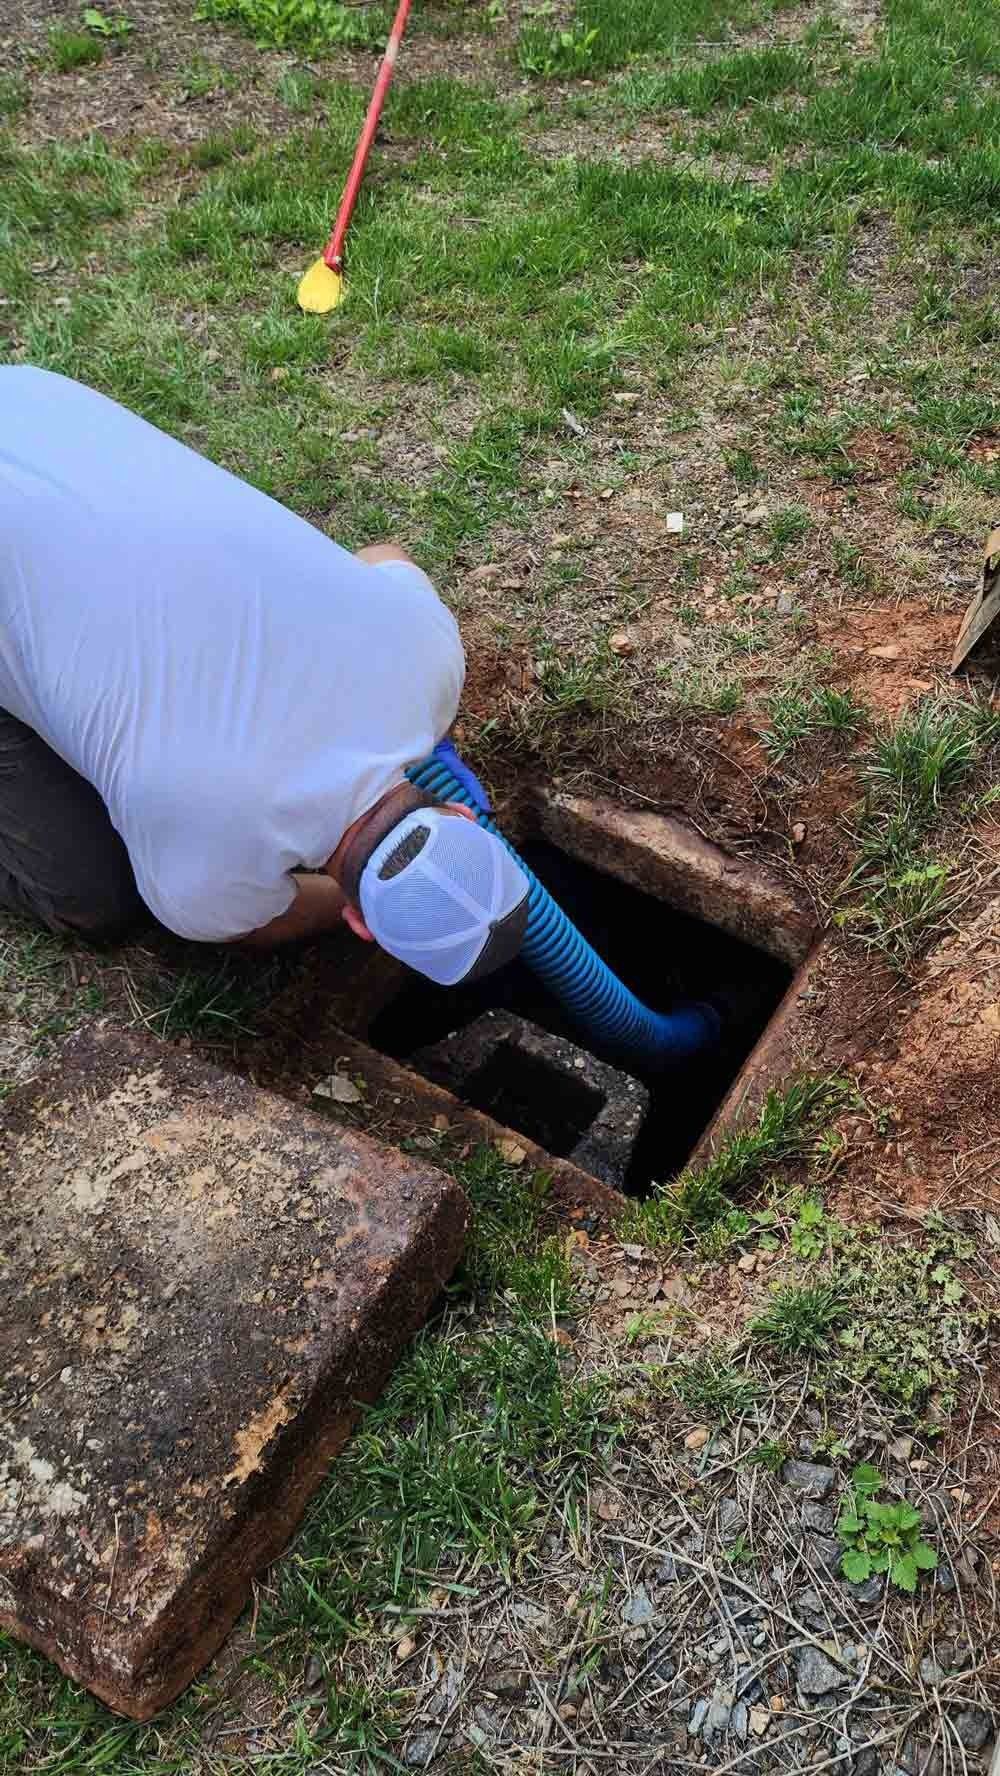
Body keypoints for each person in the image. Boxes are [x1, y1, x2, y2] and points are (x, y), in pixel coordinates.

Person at [0, 366, 529, 987]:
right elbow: (258, 925)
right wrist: (363, 902)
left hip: (34, 405)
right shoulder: (203, 886)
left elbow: (385, 555)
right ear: (361, 923)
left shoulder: (432, 659)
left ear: (463, 818)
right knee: (90, 898)